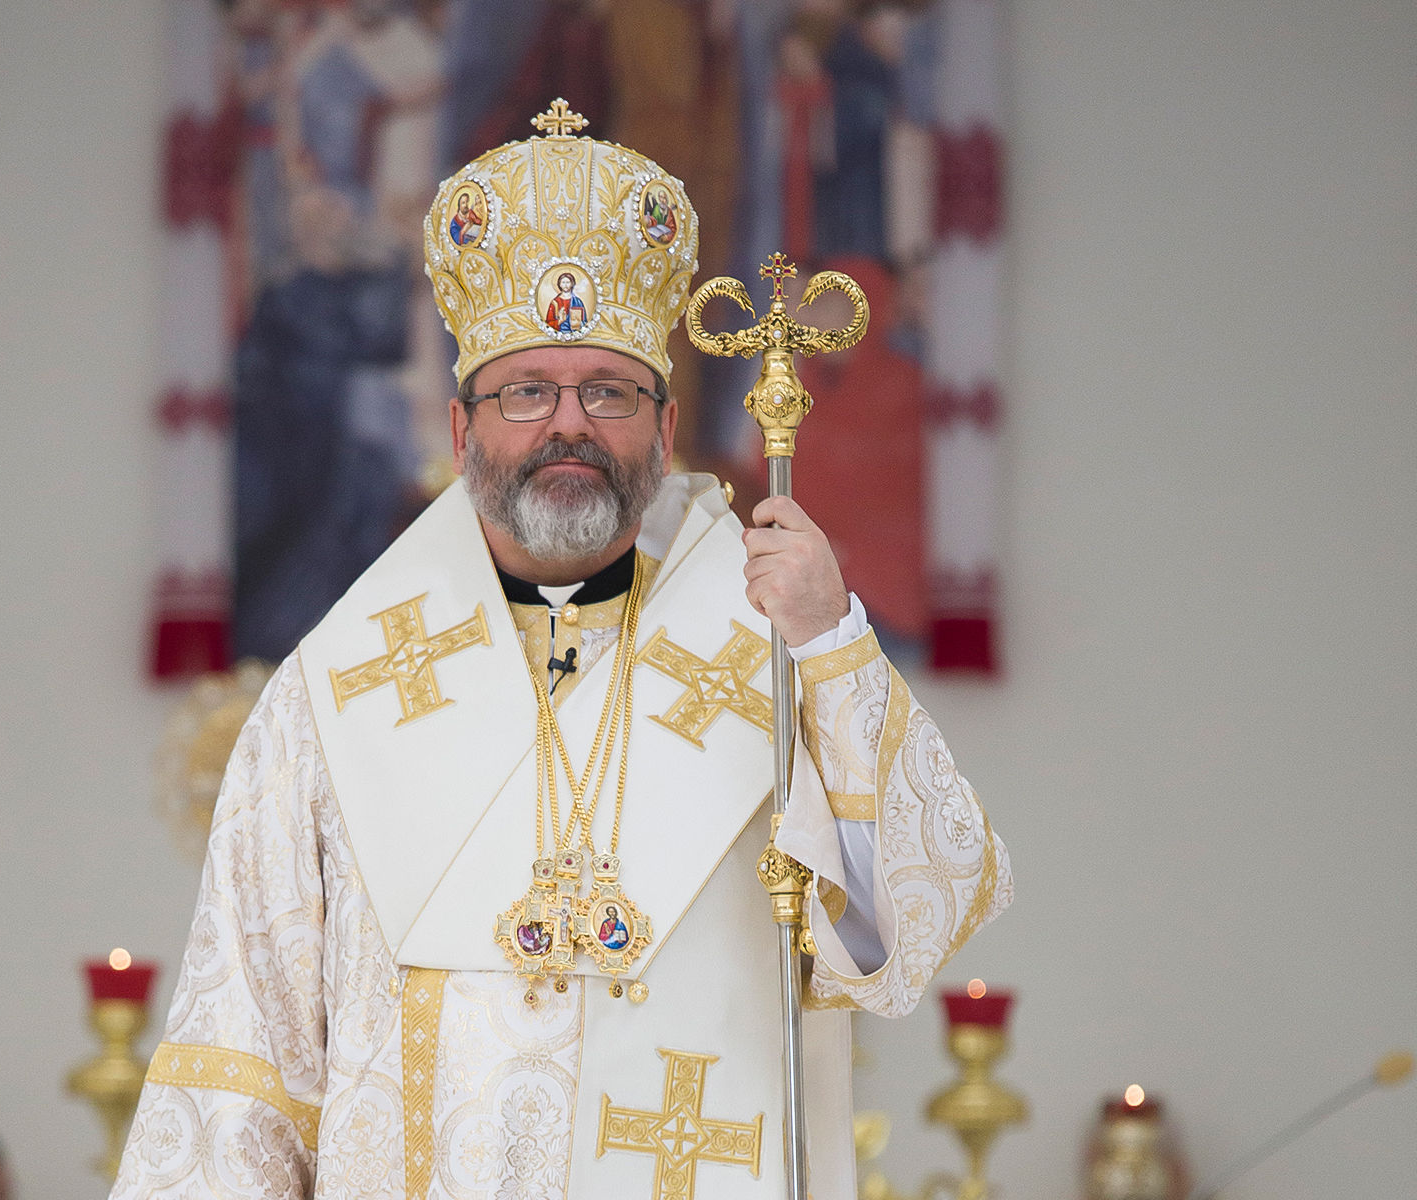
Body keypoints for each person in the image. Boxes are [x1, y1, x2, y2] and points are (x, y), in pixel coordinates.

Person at [112, 102, 1010, 1200]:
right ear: (461, 433)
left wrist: (832, 641)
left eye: (610, 392)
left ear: (667, 431)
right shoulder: (325, 707)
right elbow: (240, 1072)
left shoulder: (775, 655)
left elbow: (915, 919)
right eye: (527, 391)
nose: (567, 424)